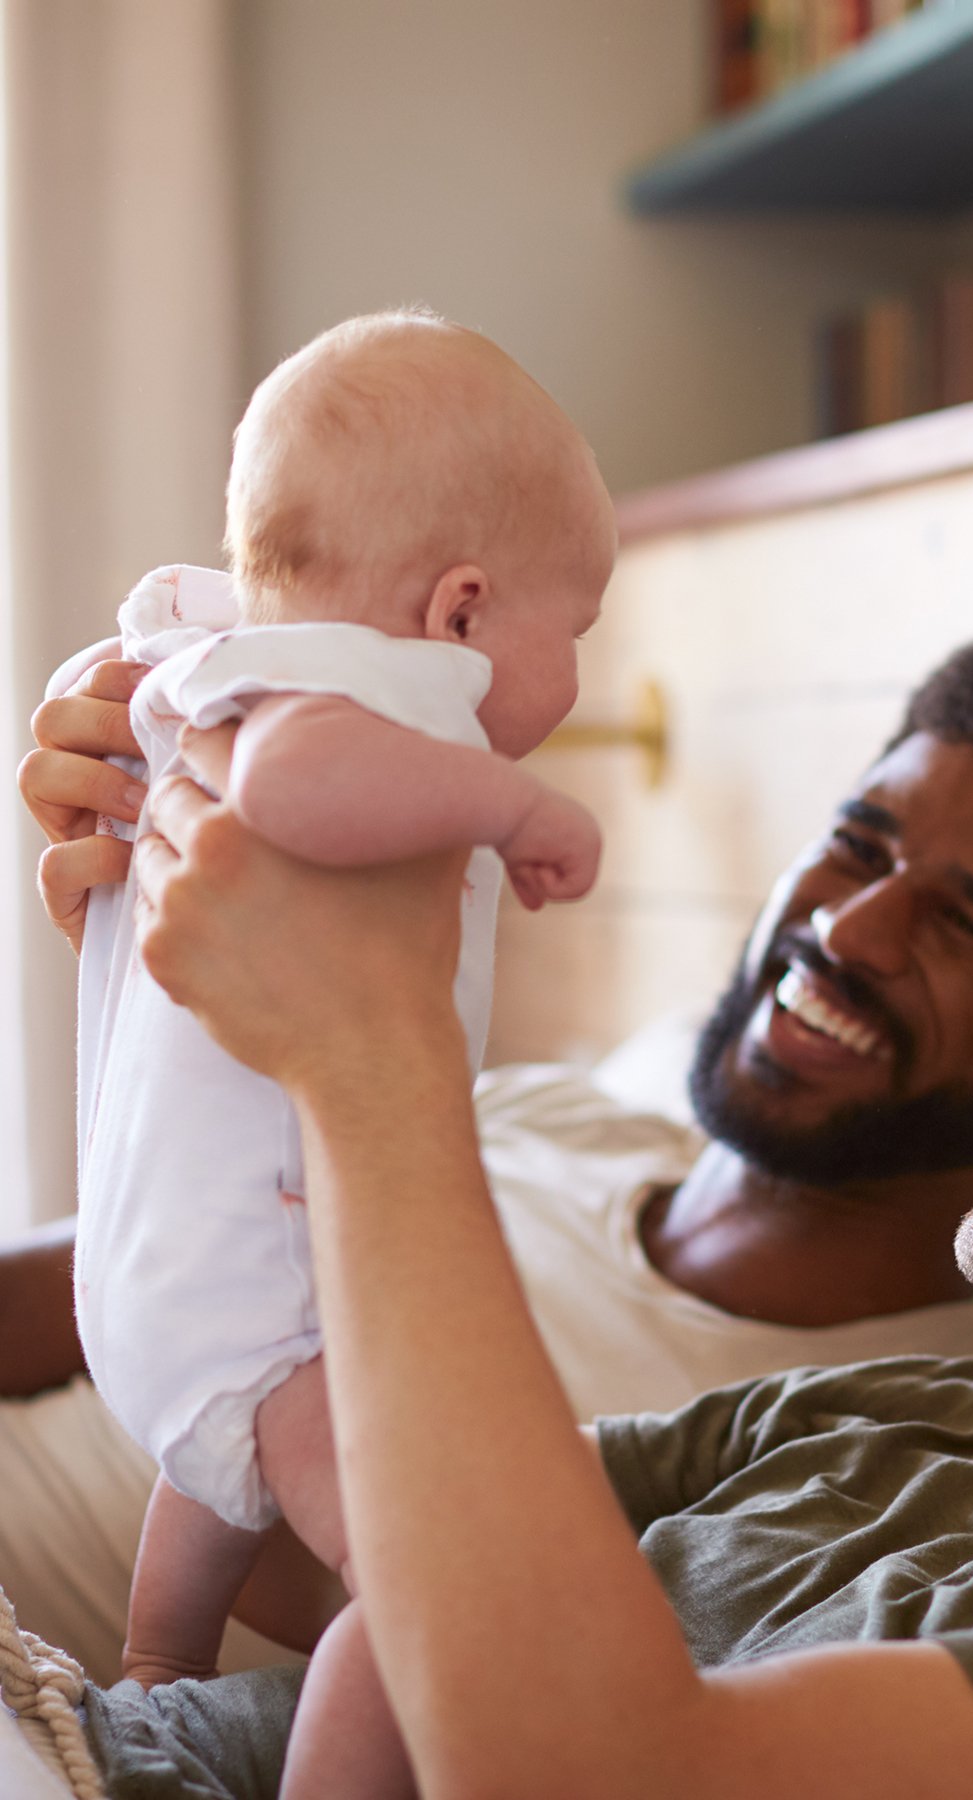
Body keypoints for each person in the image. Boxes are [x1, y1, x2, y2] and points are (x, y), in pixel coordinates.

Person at [81, 754, 973, 1799]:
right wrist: (177, 909)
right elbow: (345, 1544)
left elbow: (590, 1779)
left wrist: (372, 1072)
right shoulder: (910, 1417)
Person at [9, 635, 973, 1674]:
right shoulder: (558, 1117)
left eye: (965, 924)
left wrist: (330, 1038)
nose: (850, 930)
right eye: (859, 845)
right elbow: (75, 1288)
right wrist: (159, 1008)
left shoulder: (897, 1448)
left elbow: (426, 1658)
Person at [74, 309, 614, 1800]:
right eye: (576, 633)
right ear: (460, 613)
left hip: (181, 1283)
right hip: (255, 1278)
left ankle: (155, 1676)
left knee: (234, 1455)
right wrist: (512, 808)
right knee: (423, 1584)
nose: (575, 680)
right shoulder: (369, 695)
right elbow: (303, 779)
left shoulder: (223, 657)